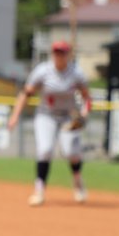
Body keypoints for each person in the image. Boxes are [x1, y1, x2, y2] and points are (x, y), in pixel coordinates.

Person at [6, 39, 91, 206]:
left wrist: (84, 113)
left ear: (68, 54)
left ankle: (78, 181)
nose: (59, 55)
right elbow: (25, 93)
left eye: (63, 52)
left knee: (71, 154)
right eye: (56, 52)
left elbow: (87, 97)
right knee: (45, 150)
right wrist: (15, 116)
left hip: (68, 116)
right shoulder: (42, 71)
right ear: (52, 54)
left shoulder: (76, 73)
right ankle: (39, 190)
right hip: (46, 115)